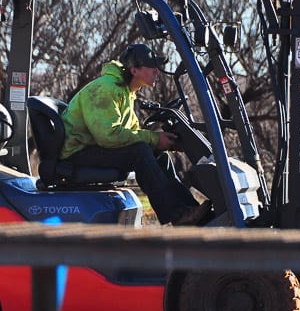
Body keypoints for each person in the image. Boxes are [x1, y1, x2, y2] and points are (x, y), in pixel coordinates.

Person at [59, 44, 211, 226]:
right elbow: (109, 136)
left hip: (93, 149)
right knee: (140, 151)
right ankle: (177, 214)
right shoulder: (105, 89)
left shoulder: (126, 92)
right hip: (77, 152)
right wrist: (153, 139)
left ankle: (190, 211)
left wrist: (161, 142)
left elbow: (131, 131)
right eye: (152, 67)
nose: (157, 72)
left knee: (158, 155)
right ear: (134, 70)